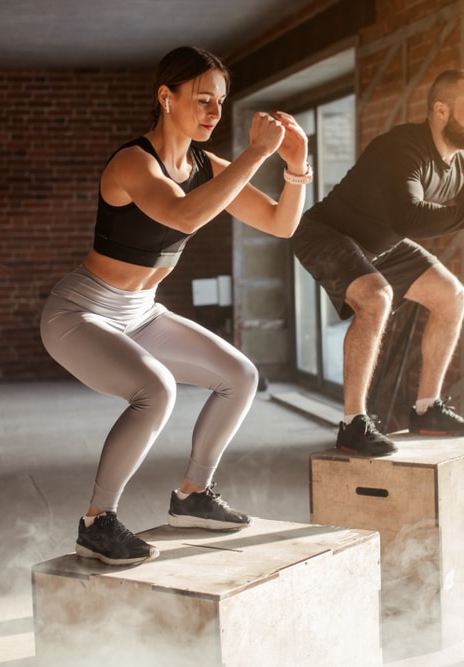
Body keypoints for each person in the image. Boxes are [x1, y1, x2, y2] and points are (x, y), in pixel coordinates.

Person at [40, 46, 310, 565]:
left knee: (240, 375)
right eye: (204, 99)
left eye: (221, 102)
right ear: (166, 96)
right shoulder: (132, 162)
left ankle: (193, 495)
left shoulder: (207, 166)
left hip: (142, 312)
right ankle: (97, 521)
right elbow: (183, 216)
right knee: (155, 390)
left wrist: (297, 167)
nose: (214, 112)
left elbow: (281, 224)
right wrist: (256, 154)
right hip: (80, 314)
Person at [293, 69, 464, 457]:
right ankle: (352, 424)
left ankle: (427, 409)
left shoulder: (463, 163)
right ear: (440, 111)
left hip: (383, 242)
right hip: (326, 233)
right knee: (377, 296)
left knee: (452, 295)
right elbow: (410, 218)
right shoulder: (401, 148)